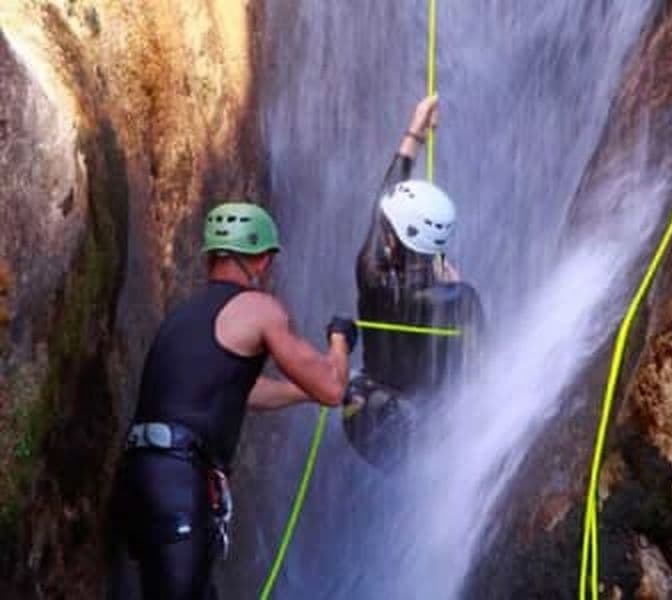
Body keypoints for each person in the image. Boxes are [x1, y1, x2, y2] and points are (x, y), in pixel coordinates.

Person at [110, 202, 357, 600]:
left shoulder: (183, 317)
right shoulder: (260, 309)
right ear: (261, 259)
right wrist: (340, 339)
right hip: (179, 481)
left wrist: (301, 392)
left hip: (136, 479)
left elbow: (243, 391)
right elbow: (330, 386)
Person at [343, 95, 484, 469]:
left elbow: (380, 209)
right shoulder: (459, 298)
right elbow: (476, 373)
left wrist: (414, 132)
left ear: (391, 236)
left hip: (364, 419)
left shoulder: (369, 272)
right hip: (421, 436)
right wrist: (455, 287)